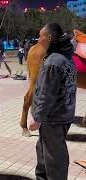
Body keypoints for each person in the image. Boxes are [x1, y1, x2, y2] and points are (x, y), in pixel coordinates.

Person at [28, 23, 77, 180]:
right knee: (43, 153)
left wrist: (37, 118)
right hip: (62, 115)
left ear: (49, 38)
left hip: (53, 119)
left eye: (40, 35)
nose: (38, 38)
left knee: (55, 159)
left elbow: (46, 93)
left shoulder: (53, 62)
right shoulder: (66, 57)